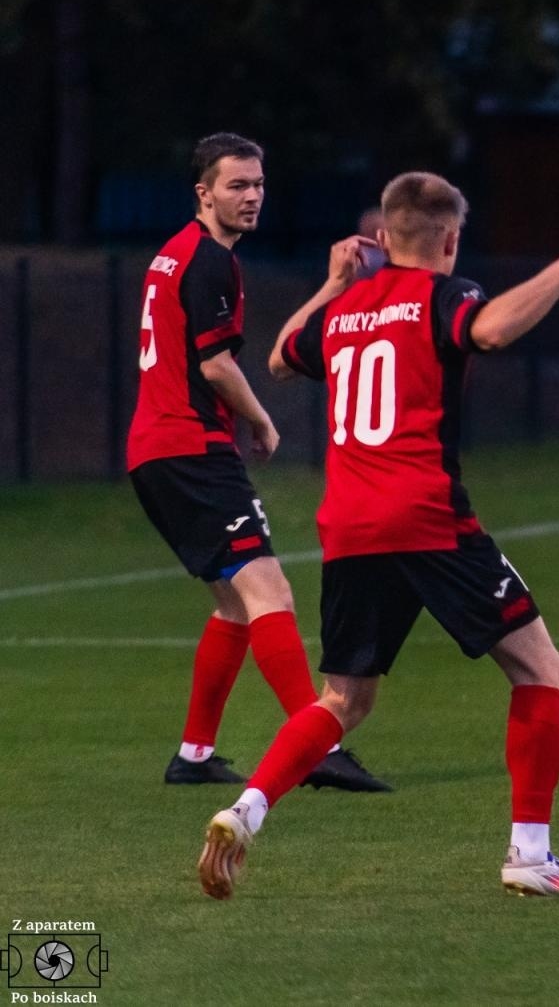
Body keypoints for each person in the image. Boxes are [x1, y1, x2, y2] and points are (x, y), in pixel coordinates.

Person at [197, 171, 559, 900]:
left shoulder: (348, 306)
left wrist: (331, 282)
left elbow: (280, 354)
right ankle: (531, 854)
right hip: (428, 517)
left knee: (343, 699)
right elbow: (491, 329)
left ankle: (245, 808)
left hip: (350, 526)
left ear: (384, 238)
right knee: (539, 667)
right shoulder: (445, 296)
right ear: (450, 240)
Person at [127, 132, 388, 793]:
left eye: (258, 185)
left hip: (159, 450)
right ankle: (314, 743)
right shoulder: (211, 260)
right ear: (203, 192)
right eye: (236, 185)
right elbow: (214, 364)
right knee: (271, 592)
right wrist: (262, 419)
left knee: (236, 607)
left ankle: (193, 754)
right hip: (190, 449)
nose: (251, 196)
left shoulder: (174, 254)